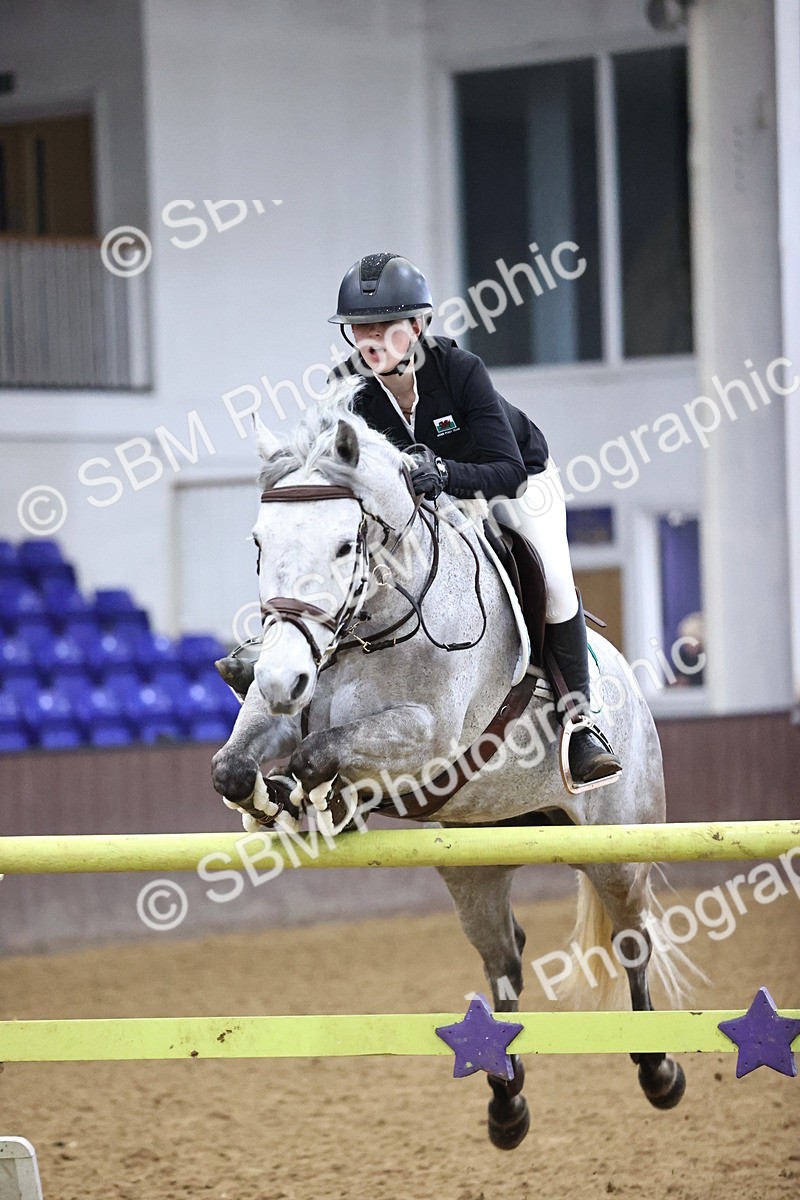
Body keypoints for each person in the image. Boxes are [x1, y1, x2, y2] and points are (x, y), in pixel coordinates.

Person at [327, 252, 621, 789]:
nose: (369, 341)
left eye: (383, 328)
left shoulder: (459, 371)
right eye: (359, 329)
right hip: (428, 501)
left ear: (416, 327)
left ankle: (582, 725)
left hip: (517, 481)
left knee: (553, 581)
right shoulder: (350, 391)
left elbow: (505, 471)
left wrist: (442, 472)